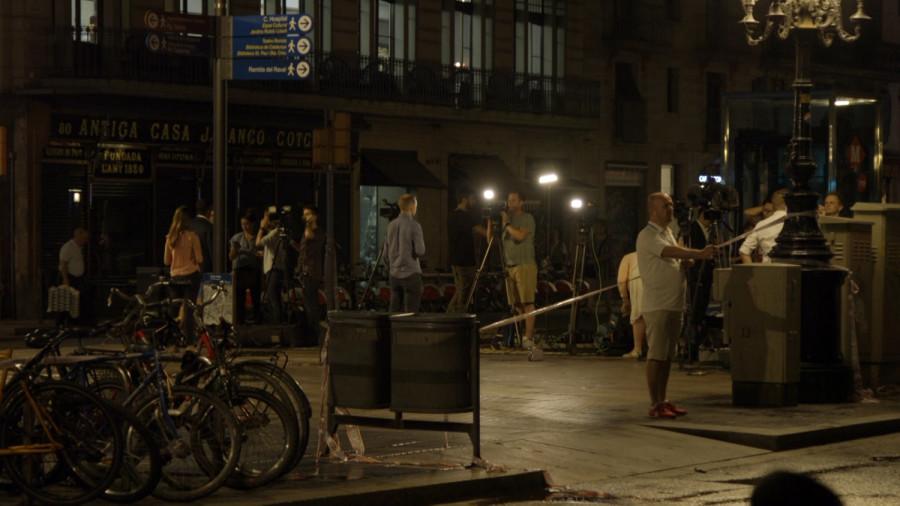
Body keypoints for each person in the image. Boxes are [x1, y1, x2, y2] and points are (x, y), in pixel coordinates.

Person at [637, 192, 715, 419]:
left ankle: (663, 399)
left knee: (668, 356)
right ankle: (654, 403)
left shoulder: (668, 232)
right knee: (657, 355)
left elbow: (673, 256)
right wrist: (699, 254)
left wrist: (684, 262)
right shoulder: (647, 235)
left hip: (674, 304)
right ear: (653, 210)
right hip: (658, 304)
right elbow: (668, 251)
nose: (670, 209)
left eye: (670, 205)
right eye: (665, 206)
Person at [501, 190, 539, 360]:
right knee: (516, 304)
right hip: (509, 266)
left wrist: (507, 224)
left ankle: (528, 337)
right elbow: (490, 240)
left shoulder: (527, 218)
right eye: (508, 200)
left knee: (527, 302)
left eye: (514, 200)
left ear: (521, 202)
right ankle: (517, 336)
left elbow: (520, 236)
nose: (510, 203)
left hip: (524, 265)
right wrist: (491, 222)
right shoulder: (506, 221)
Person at [446, 188, 489, 313]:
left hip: (455, 259)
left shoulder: (451, 215)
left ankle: (450, 315)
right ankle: (457, 316)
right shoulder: (465, 216)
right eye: (472, 199)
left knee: (461, 290)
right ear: (465, 199)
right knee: (465, 292)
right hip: (465, 260)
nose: (474, 202)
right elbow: (483, 232)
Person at [164, 206, 203, 338]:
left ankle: (171, 337)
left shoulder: (170, 237)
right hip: (191, 275)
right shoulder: (192, 236)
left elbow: (166, 261)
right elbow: (199, 258)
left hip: (175, 277)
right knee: (189, 309)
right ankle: (189, 339)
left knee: (174, 308)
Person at [385, 193, 426, 312]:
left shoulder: (391, 225)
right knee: (410, 313)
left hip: (394, 274)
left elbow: (385, 254)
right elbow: (420, 251)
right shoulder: (414, 226)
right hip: (411, 273)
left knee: (394, 311)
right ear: (412, 206)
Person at [296, 204, 325, 344]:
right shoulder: (307, 231)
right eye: (304, 214)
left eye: (307, 214)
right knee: (307, 304)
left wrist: (308, 224)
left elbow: (310, 237)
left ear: (315, 216)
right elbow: (303, 251)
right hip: (304, 271)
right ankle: (312, 334)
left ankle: (316, 334)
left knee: (311, 305)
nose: (304, 217)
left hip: (312, 271)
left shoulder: (317, 231)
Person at [230, 211, 261, 324]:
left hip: (254, 270)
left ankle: (257, 321)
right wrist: (235, 250)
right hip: (240, 269)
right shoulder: (237, 237)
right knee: (239, 298)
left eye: (247, 224)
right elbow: (231, 257)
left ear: (253, 224)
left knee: (256, 297)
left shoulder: (258, 238)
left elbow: (261, 255)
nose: (245, 227)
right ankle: (240, 322)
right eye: (242, 224)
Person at [740, 188, 788, 264]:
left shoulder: (761, 225)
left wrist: (753, 272)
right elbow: (747, 212)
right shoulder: (799, 221)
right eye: (764, 211)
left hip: (769, 269)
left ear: (773, 205)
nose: (764, 214)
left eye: (767, 211)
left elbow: (744, 251)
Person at [257, 208, 288, 324]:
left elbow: (258, 243)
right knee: (275, 298)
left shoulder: (274, 232)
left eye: (265, 217)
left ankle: (277, 325)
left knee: (273, 298)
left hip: (273, 270)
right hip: (276, 269)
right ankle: (279, 323)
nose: (262, 220)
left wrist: (261, 228)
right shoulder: (277, 232)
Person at [57, 227, 89, 324]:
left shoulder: (79, 247)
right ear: (78, 236)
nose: (85, 241)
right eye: (84, 238)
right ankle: (61, 322)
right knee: (66, 301)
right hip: (70, 277)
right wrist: (65, 279)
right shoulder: (68, 247)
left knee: (77, 301)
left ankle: (75, 321)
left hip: (78, 278)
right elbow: (63, 264)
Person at [617, 252, 644, 359]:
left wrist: (625, 300)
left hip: (638, 282)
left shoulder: (629, 257)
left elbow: (621, 280)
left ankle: (638, 349)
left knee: (638, 315)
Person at [191, 199, 213, 273]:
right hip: (206, 270)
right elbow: (211, 251)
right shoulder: (209, 227)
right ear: (208, 211)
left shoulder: (188, 225)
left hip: (189, 269)